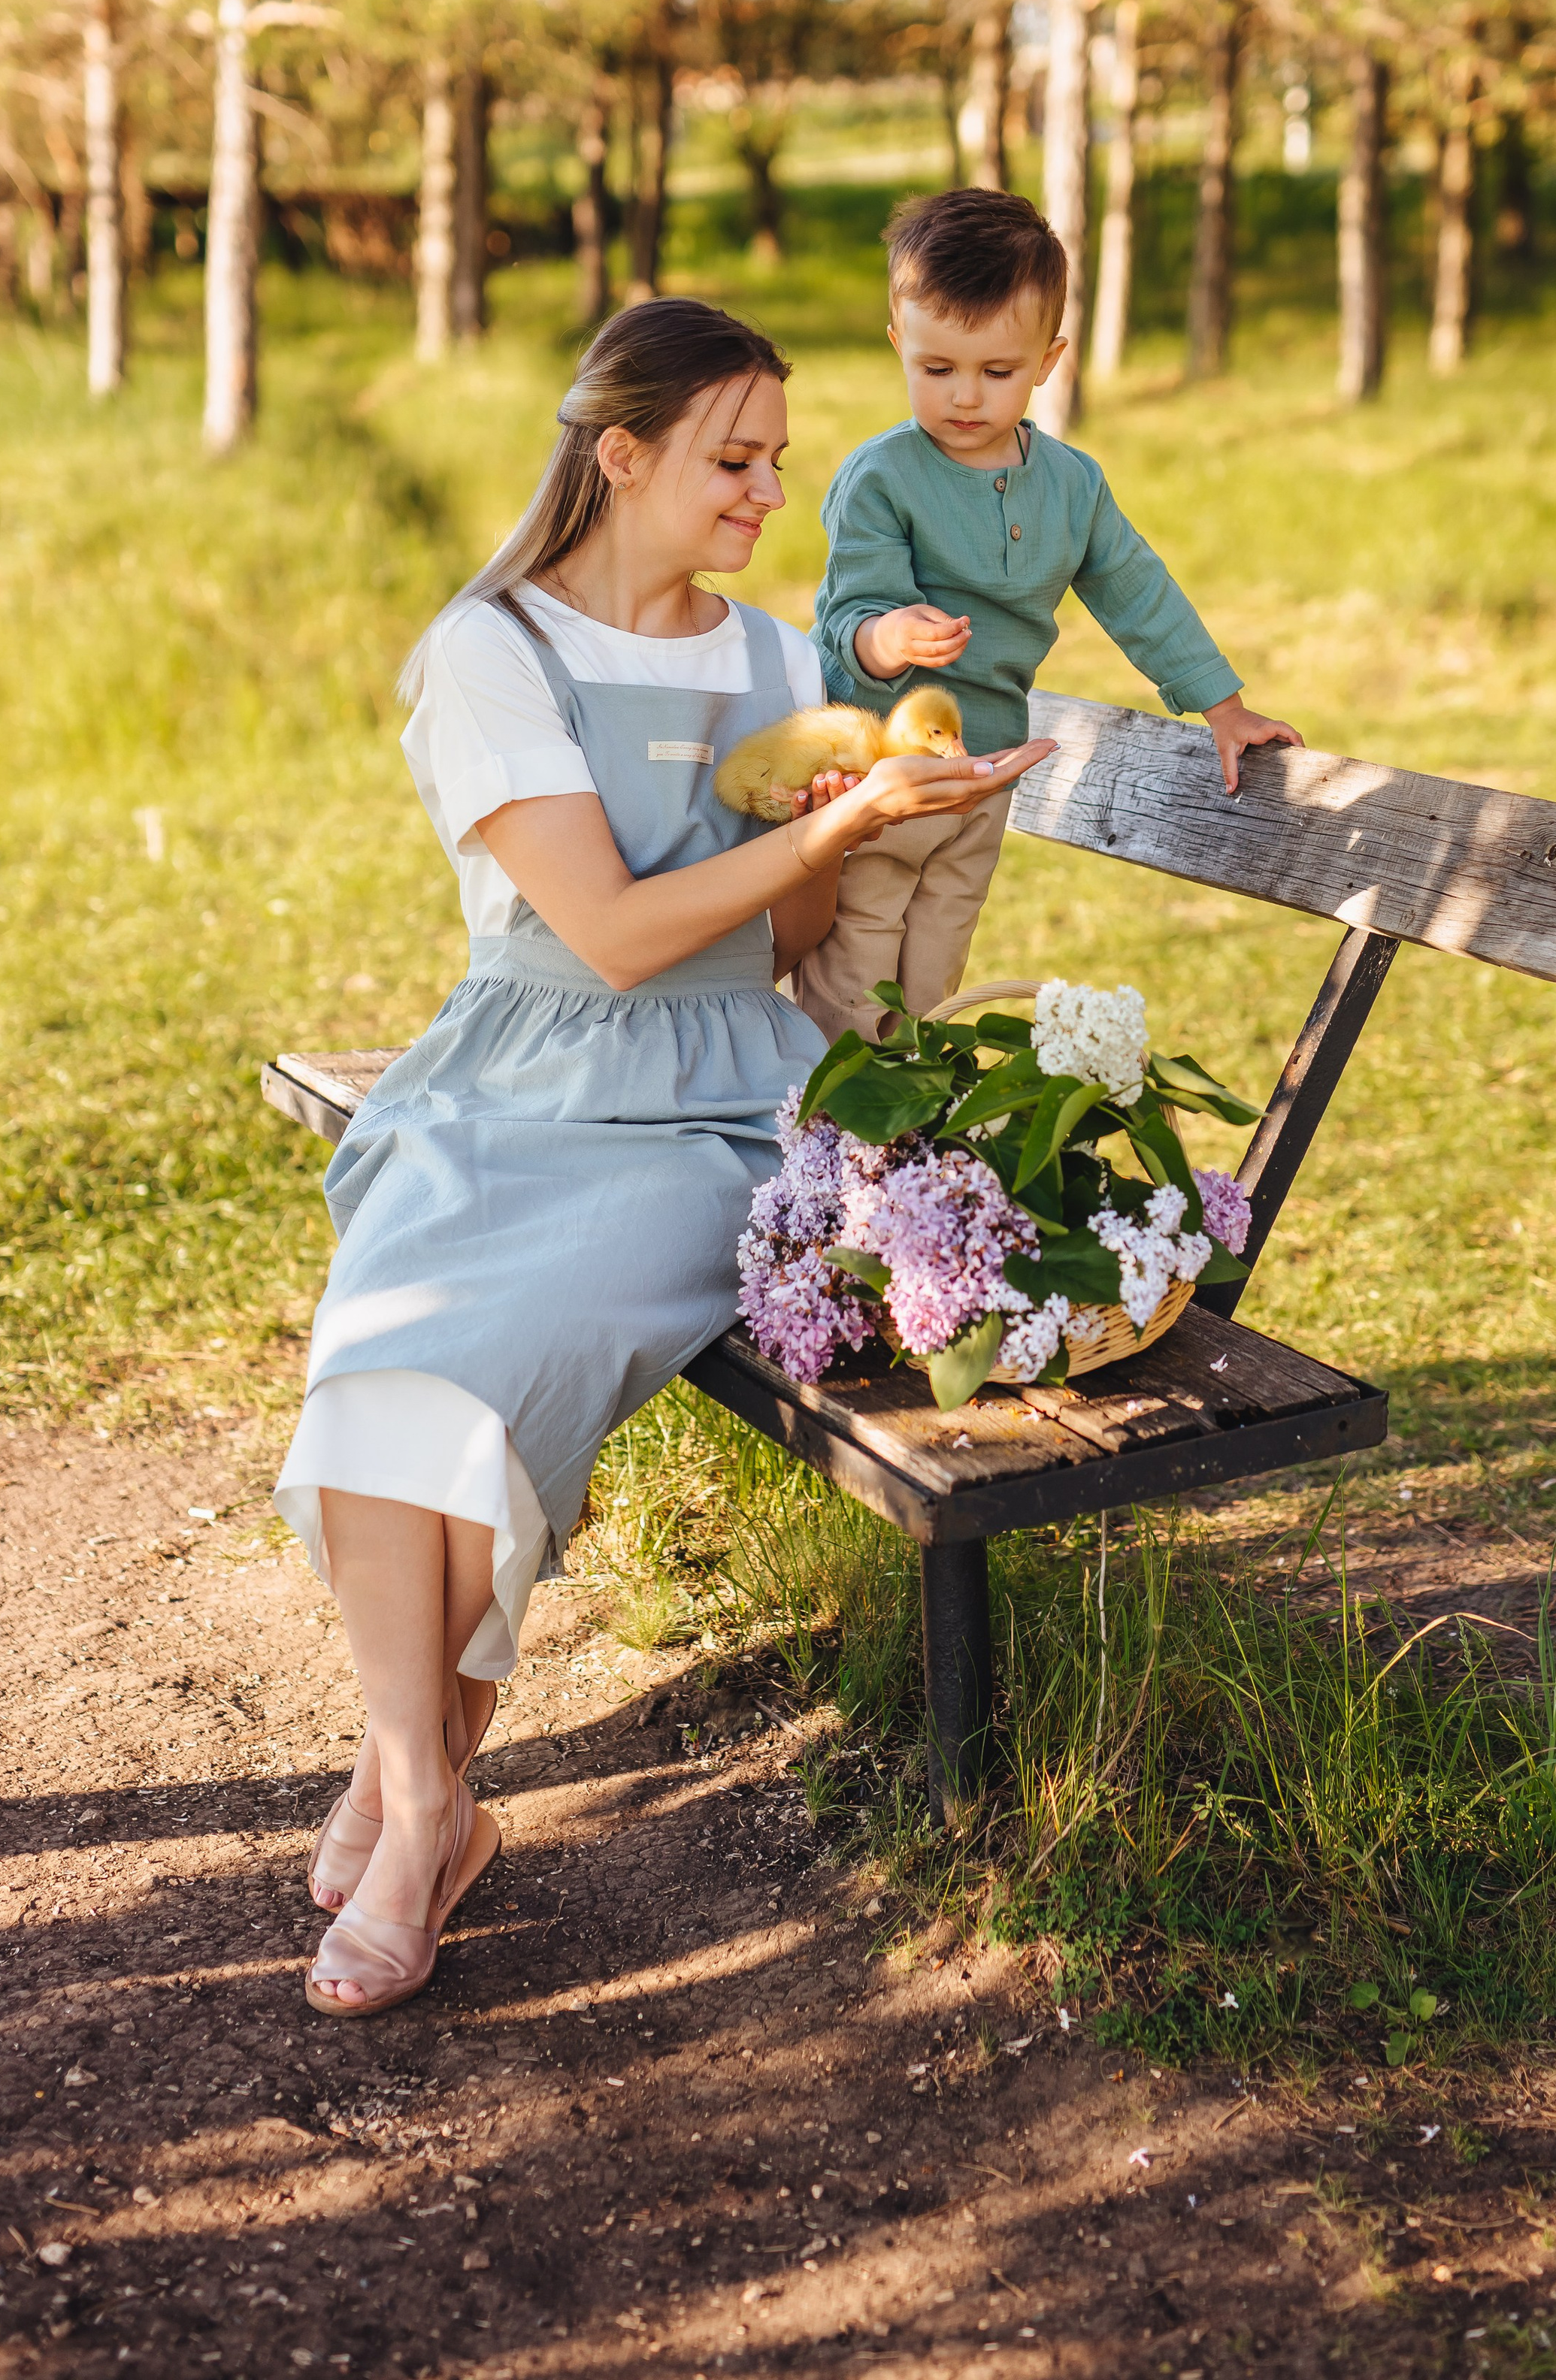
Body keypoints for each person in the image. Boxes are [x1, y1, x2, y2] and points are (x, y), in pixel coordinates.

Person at [274, 297, 1052, 2016]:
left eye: (777, 456)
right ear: (620, 455)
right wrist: (839, 819)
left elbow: (764, 957)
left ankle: (408, 1812)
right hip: (517, 1078)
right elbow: (611, 934)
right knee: (373, 1376)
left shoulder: (780, 663)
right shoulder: (494, 649)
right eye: (733, 457)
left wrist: (832, 834)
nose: (770, 490)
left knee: (480, 1373)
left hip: (713, 1106)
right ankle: (425, 1796)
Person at [795, 189, 1303, 1045]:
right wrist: (888, 636)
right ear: (899, 346)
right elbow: (851, 609)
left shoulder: (1072, 485)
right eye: (935, 368)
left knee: (933, 977)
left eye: (996, 372)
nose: (964, 396)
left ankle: (907, 1134)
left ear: (1048, 359)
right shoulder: (881, 477)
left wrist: (1223, 705)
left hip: (986, 775)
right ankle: (830, 1144)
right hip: (882, 775)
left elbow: (1137, 591)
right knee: (855, 969)